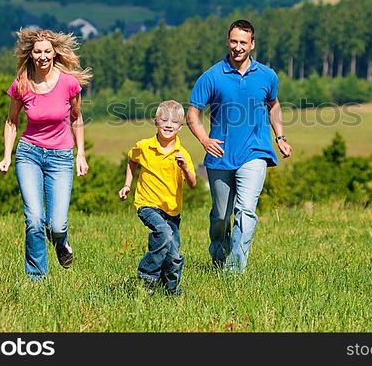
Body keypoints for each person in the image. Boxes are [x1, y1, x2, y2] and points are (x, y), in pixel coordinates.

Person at [187, 19, 292, 274]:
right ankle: (219, 255)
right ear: (227, 41)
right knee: (221, 216)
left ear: (252, 44)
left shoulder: (267, 76)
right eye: (234, 41)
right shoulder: (211, 76)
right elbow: (192, 114)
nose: (237, 47)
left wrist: (280, 137)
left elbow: (274, 104)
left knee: (245, 210)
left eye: (243, 42)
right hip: (220, 156)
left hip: (255, 152)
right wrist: (204, 140)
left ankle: (234, 271)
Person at [0, 28, 91, 280]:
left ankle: (62, 243)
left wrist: (80, 154)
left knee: (58, 224)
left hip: (60, 156)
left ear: (54, 53)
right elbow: (11, 121)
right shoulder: (21, 84)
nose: (42, 56)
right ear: (30, 54)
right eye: (37, 52)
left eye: (47, 51)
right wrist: (7, 155)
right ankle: (37, 278)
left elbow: (76, 117)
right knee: (35, 220)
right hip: (29, 155)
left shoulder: (69, 83)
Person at [119, 100, 196, 296]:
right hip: (147, 204)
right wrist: (128, 185)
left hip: (172, 210)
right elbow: (132, 160)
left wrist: (185, 168)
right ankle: (146, 276)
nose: (169, 125)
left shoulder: (182, 154)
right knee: (163, 232)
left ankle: (170, 290)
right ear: (156, 121)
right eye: (164, 120)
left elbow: (193, 183)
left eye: (175, 122)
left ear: (180, 127)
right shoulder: (144, 146)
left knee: (174, 255)